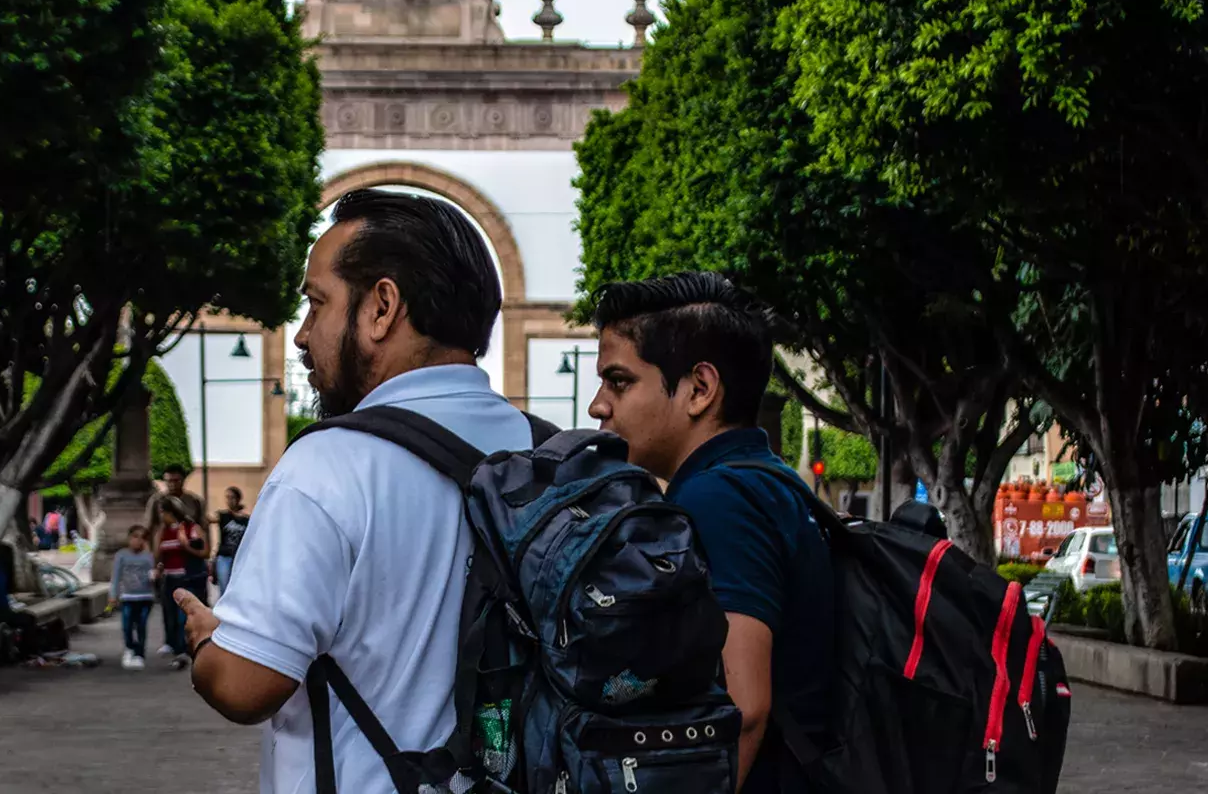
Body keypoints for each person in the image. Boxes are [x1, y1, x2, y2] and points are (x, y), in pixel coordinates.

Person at [175, 188, 527, 793]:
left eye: (316, 304)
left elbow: (243, 686)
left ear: (381, 307)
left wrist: (209, 643)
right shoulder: (539, 448)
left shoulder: (327, 465)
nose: (303, 335)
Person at [583, 271, 832, 794]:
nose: (598, 405)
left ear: (700, 389)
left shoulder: (716, 500)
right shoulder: (774, 482)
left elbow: (742, 709)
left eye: (619, 381)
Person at [154, 501, 206, 668]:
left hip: (185, 577)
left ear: (170, 512)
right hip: (168, 577)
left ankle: (187, 649)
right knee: (169, 615)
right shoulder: (163, 531)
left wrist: (185, 545)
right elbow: (156, 554)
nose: (161, 516)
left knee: (182, 617)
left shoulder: (190, 528)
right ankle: (176, 648)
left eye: (162, 512)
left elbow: (204, 552)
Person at [109, 525, 157, 670]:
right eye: (135, 537)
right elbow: (116, 576)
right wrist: (113, 595)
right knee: (127, 625)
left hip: (145, 596)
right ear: (129, 538)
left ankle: (140, 654)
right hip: (128, 596)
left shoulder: (148, 556)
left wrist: (155, 574)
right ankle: (130, 648)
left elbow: (152, 576)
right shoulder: (121, 555)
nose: (138, 541)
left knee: (141, 625)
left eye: (142, 538)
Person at [212, 487, 250, 596]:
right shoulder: (223, 516)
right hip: (224, 556)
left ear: (238, 499)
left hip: (239, 557)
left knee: (238, 588)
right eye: (227, 497)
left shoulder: (245, 519)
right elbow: (208, 519)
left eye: (232, 497)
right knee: (224, 587)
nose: (229, 500)